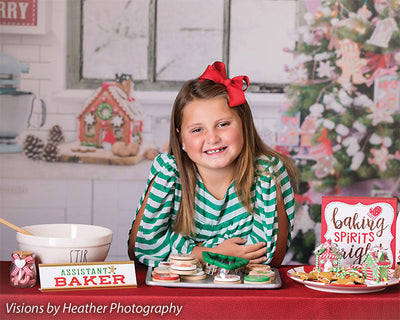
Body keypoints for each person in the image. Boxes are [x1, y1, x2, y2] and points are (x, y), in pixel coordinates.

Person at [128, 61, 297, 267]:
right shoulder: (169, 173)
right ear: (181, 139)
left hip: (242, 296)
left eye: (223, 124)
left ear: (244, 125)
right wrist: (212, 252)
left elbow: (269, 256)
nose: (213, 138)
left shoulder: (266, 173)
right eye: (197, 130)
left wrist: (185, 250)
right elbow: (142, 248)